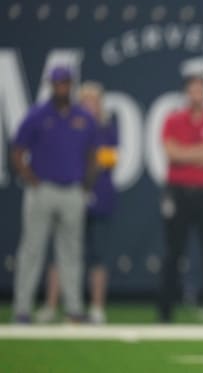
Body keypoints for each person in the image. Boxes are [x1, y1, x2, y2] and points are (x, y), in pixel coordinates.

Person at [11, 66, 98, 323]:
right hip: (43, 189)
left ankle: (73, 308)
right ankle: (22, 308)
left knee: (71, 251)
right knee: (32, 250)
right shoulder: (37, 115)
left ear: (71, 84)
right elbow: (17, 151)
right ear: (51, 85)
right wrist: (32, 179)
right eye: (58, 83)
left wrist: (85, 185)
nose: (62, 87)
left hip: (72, 190)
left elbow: (93, 155)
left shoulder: (83, 117)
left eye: (66, 83)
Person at [36, 81, 119, 324]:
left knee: (98, 255)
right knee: (62, 252)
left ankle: (96, 307)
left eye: (94, 102)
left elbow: (110, 159)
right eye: (86, 101)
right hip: (71, 193)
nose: (90, 106)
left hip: (99, 196)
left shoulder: (105, 128)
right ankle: (52, 305)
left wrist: (86, 160)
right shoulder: (71, 125)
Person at [158, 60, 203, 323]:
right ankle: (165, 312)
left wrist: (187, 154)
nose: (196, 94)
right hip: (179, 192)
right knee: (173, 252)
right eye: (192, 89)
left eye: (201, 89)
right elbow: (171, 153)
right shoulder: (174, 120)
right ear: (185, 93)